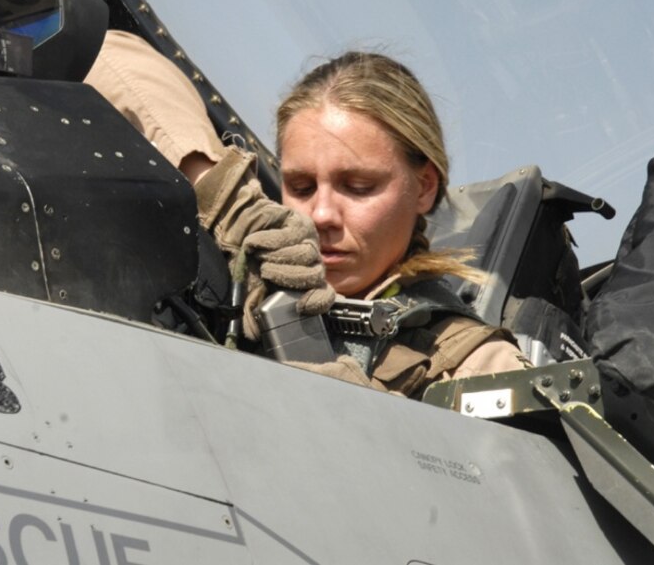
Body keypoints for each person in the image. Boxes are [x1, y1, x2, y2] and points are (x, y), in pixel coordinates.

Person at [86, 31, 528, 397]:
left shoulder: (475, 366)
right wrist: (226, 200)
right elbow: (107, 53)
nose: (320, 214)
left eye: (358, 187)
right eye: (300, 187)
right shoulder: (243, 276)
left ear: (424, 188)